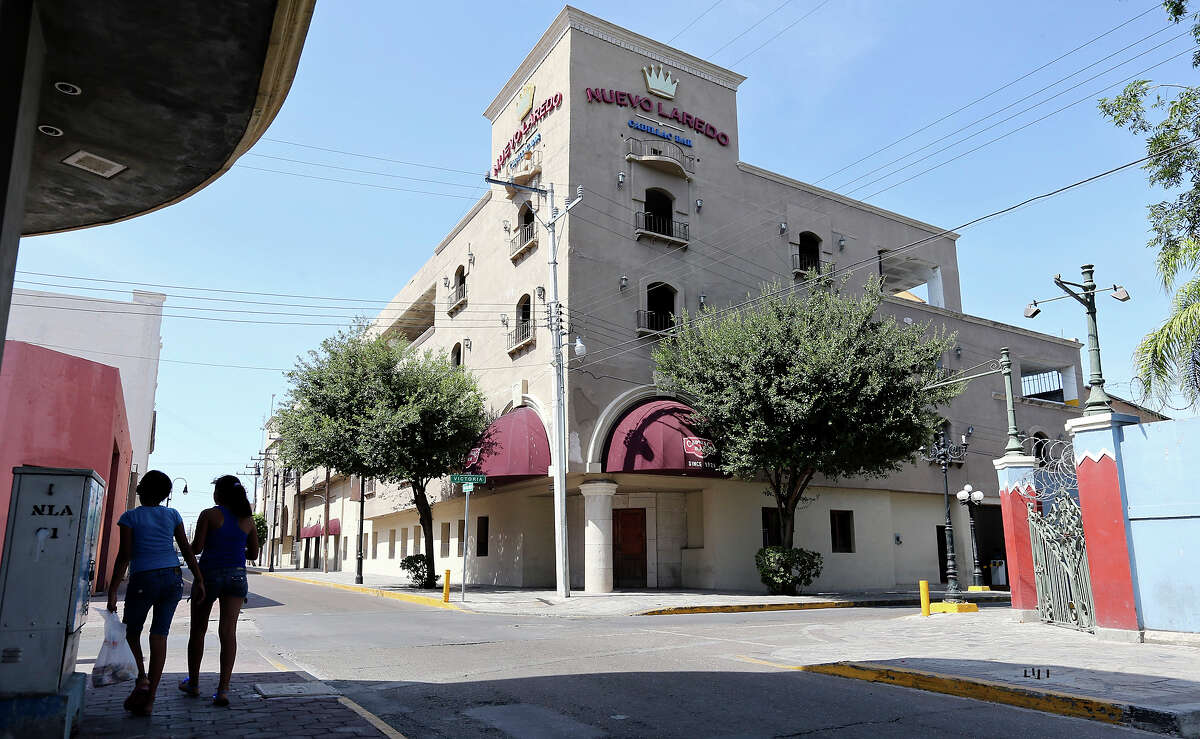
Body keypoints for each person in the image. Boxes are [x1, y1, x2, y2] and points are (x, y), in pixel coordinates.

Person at [107, 470, 205, 716]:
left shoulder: (129, 518)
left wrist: (111, 591)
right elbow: (186, 550)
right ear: (164, 495)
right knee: (159, 637)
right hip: (172, 578)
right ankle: (149, 700)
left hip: (144, 579)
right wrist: (199, 580)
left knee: (132, 632)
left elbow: (125, 556)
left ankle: (141, 678)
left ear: (140, 490)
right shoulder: (172, 514)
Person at [182, 475, 259, 706]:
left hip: (209, 576)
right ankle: (223, 689)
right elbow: (254, 554)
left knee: (198, 630)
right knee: (228, 632)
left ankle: (193, 683)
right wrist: (234, 551)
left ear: (219, 494)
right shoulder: (248, 519)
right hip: (237, 576)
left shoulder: (209, 515)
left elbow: (196, 548)